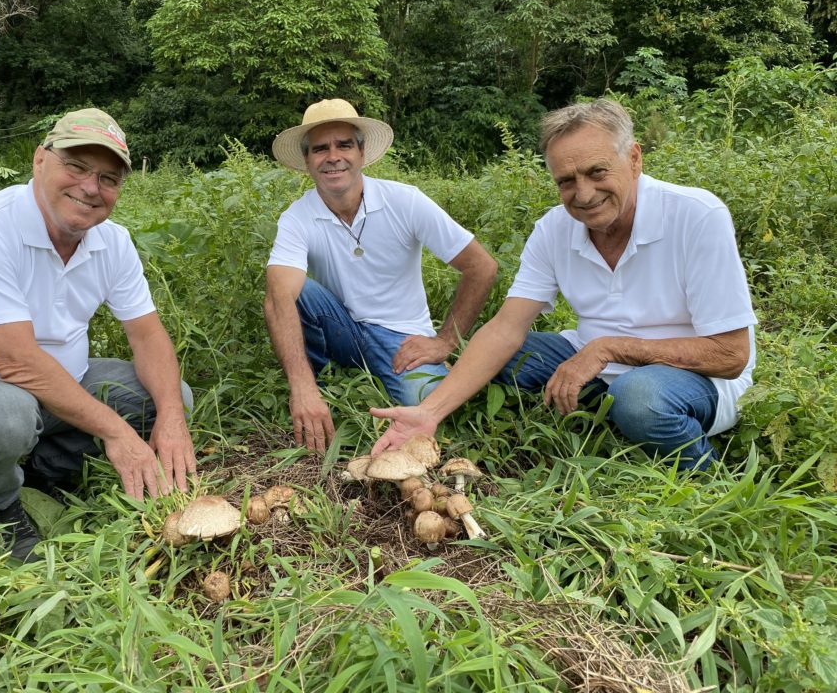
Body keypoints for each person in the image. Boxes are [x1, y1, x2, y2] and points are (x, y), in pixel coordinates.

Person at [370, 98, 757, 470]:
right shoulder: (555, 228)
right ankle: (609, 420)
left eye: (597, 172)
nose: (584, 194)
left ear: (634, 159)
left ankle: (703, 470)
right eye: (567, 181)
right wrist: (429, 410)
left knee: (639, 397)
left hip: (692, 378)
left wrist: (608, 348)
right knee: (510, 360)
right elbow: (506, 328)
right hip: (594, 359)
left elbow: (730, 354)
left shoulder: (697, 216)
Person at [0, 108, 196, 562]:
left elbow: (147, 335)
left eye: (108, 178)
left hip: (59, 383)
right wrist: (118, 434)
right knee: (5, 416)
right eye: (76, 166)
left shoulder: (112, 242)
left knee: (169, 395)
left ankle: (47, 472)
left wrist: (173, 419)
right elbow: (15, 362)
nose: (90, 188)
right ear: (40, 160)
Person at [264, 98, 499, 453]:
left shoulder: (403, 200)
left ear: (361, 152)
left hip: (401, 338)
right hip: (342, 326)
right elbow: (278, 297)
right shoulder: (297, 217)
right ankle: (319, 380)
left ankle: (398, 374)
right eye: (320, 149)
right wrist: (301, 387)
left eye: (344, 145)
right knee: (294, 292)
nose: (333, 156)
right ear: (308, 162)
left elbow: (481, 266)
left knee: (429, 399)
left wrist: (446, 341)